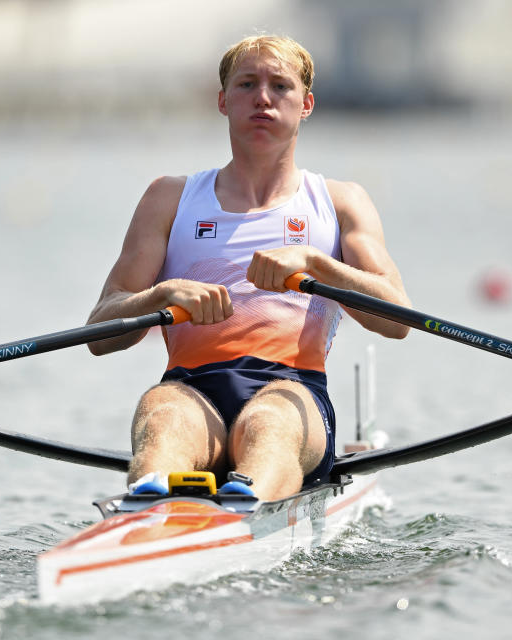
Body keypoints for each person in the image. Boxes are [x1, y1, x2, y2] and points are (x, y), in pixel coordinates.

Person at [87, 34, 411, 501]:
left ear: (307, 104)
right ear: (223, 101)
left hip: (294, 389)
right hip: (191, 388)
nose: (262, 97)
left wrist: (317, 265)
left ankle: (243, 505)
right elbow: (100, 335)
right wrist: (161, 294)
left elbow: (398, 319)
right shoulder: (169, 198)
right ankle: (151, 508)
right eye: (246, 84)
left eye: (280, 86)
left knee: (269, 422)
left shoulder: (340, 203)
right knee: (163, 418)